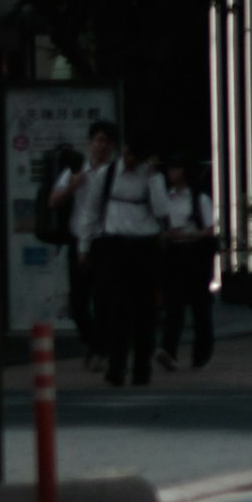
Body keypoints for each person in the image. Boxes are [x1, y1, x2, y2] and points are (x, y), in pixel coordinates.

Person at [49, 124, 164, 385]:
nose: (133, 161)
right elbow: (89, 212)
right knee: (114, 308)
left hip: (144, 245)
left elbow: (161, 210)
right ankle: (116, 363)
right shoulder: (107, 174)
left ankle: (141, 366)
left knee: (145, 311)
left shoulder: (151, 176)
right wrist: (84, 247)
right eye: (131, 155)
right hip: (112, 246)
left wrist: (154, 177)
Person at [154, 156, 218, 372]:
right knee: (174, 306)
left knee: (200, 307)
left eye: (176, 168)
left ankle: (202, 355)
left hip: (195, 255)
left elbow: (210, 229)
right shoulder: (165, 199)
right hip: (173, 255)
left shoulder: (199, 199)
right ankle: (169, 351)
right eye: (170, 168)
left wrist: (187, 235)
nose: (171, 173)